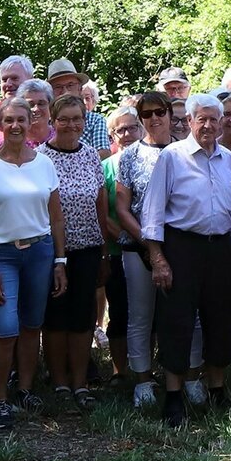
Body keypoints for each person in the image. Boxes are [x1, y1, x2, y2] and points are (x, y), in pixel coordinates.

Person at [142, 94, 231, 427]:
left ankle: (217, 389)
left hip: (220, 250)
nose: (209, 125)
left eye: (214, 119)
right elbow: (153, 212)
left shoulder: (228, 157)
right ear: (188, 121)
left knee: (219, 319)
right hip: (181, 248)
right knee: (177, 321)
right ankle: (173, 396)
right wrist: (158, 259)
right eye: (202, 119)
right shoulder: (173, 157)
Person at [0, 98, 67, 431]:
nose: (15, 125)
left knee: (31, 324)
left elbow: (56, 218)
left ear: (31, 123)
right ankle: (0, 400)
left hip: (40, 252)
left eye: (21, 120)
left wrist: (60, 259)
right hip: (3, 255)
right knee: (6, 327)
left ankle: (24, 389)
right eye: (8, 120)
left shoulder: (44, 164)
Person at [39, 94, 111, 412]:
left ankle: (81, 383)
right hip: (52, 250)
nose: (71, 125)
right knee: (55, 317)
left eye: (77, 118)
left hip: (88, 248)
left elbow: (100, 202)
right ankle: (59, 383)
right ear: (53, 122)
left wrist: (105, 248)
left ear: (85, 121)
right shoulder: (40, 158)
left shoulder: (91, 156)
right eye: (64, 119)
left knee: (82, 316)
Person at [100, 105, 144, 381]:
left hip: (152, 250)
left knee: (148, 314)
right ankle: (120, 371)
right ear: (112, 136)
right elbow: (103, 214)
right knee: (120, 312)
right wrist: (130, 238)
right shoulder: (106, 167)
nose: (127, 134)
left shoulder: (155, 160)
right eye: (120, 129)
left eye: (132, 127)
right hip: (119, 250)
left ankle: (145, 368)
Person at [0, 55, 36, 149]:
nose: (8, 84)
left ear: (30, 79)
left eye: (14, 78)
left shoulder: (39, 112)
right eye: (4, 80)